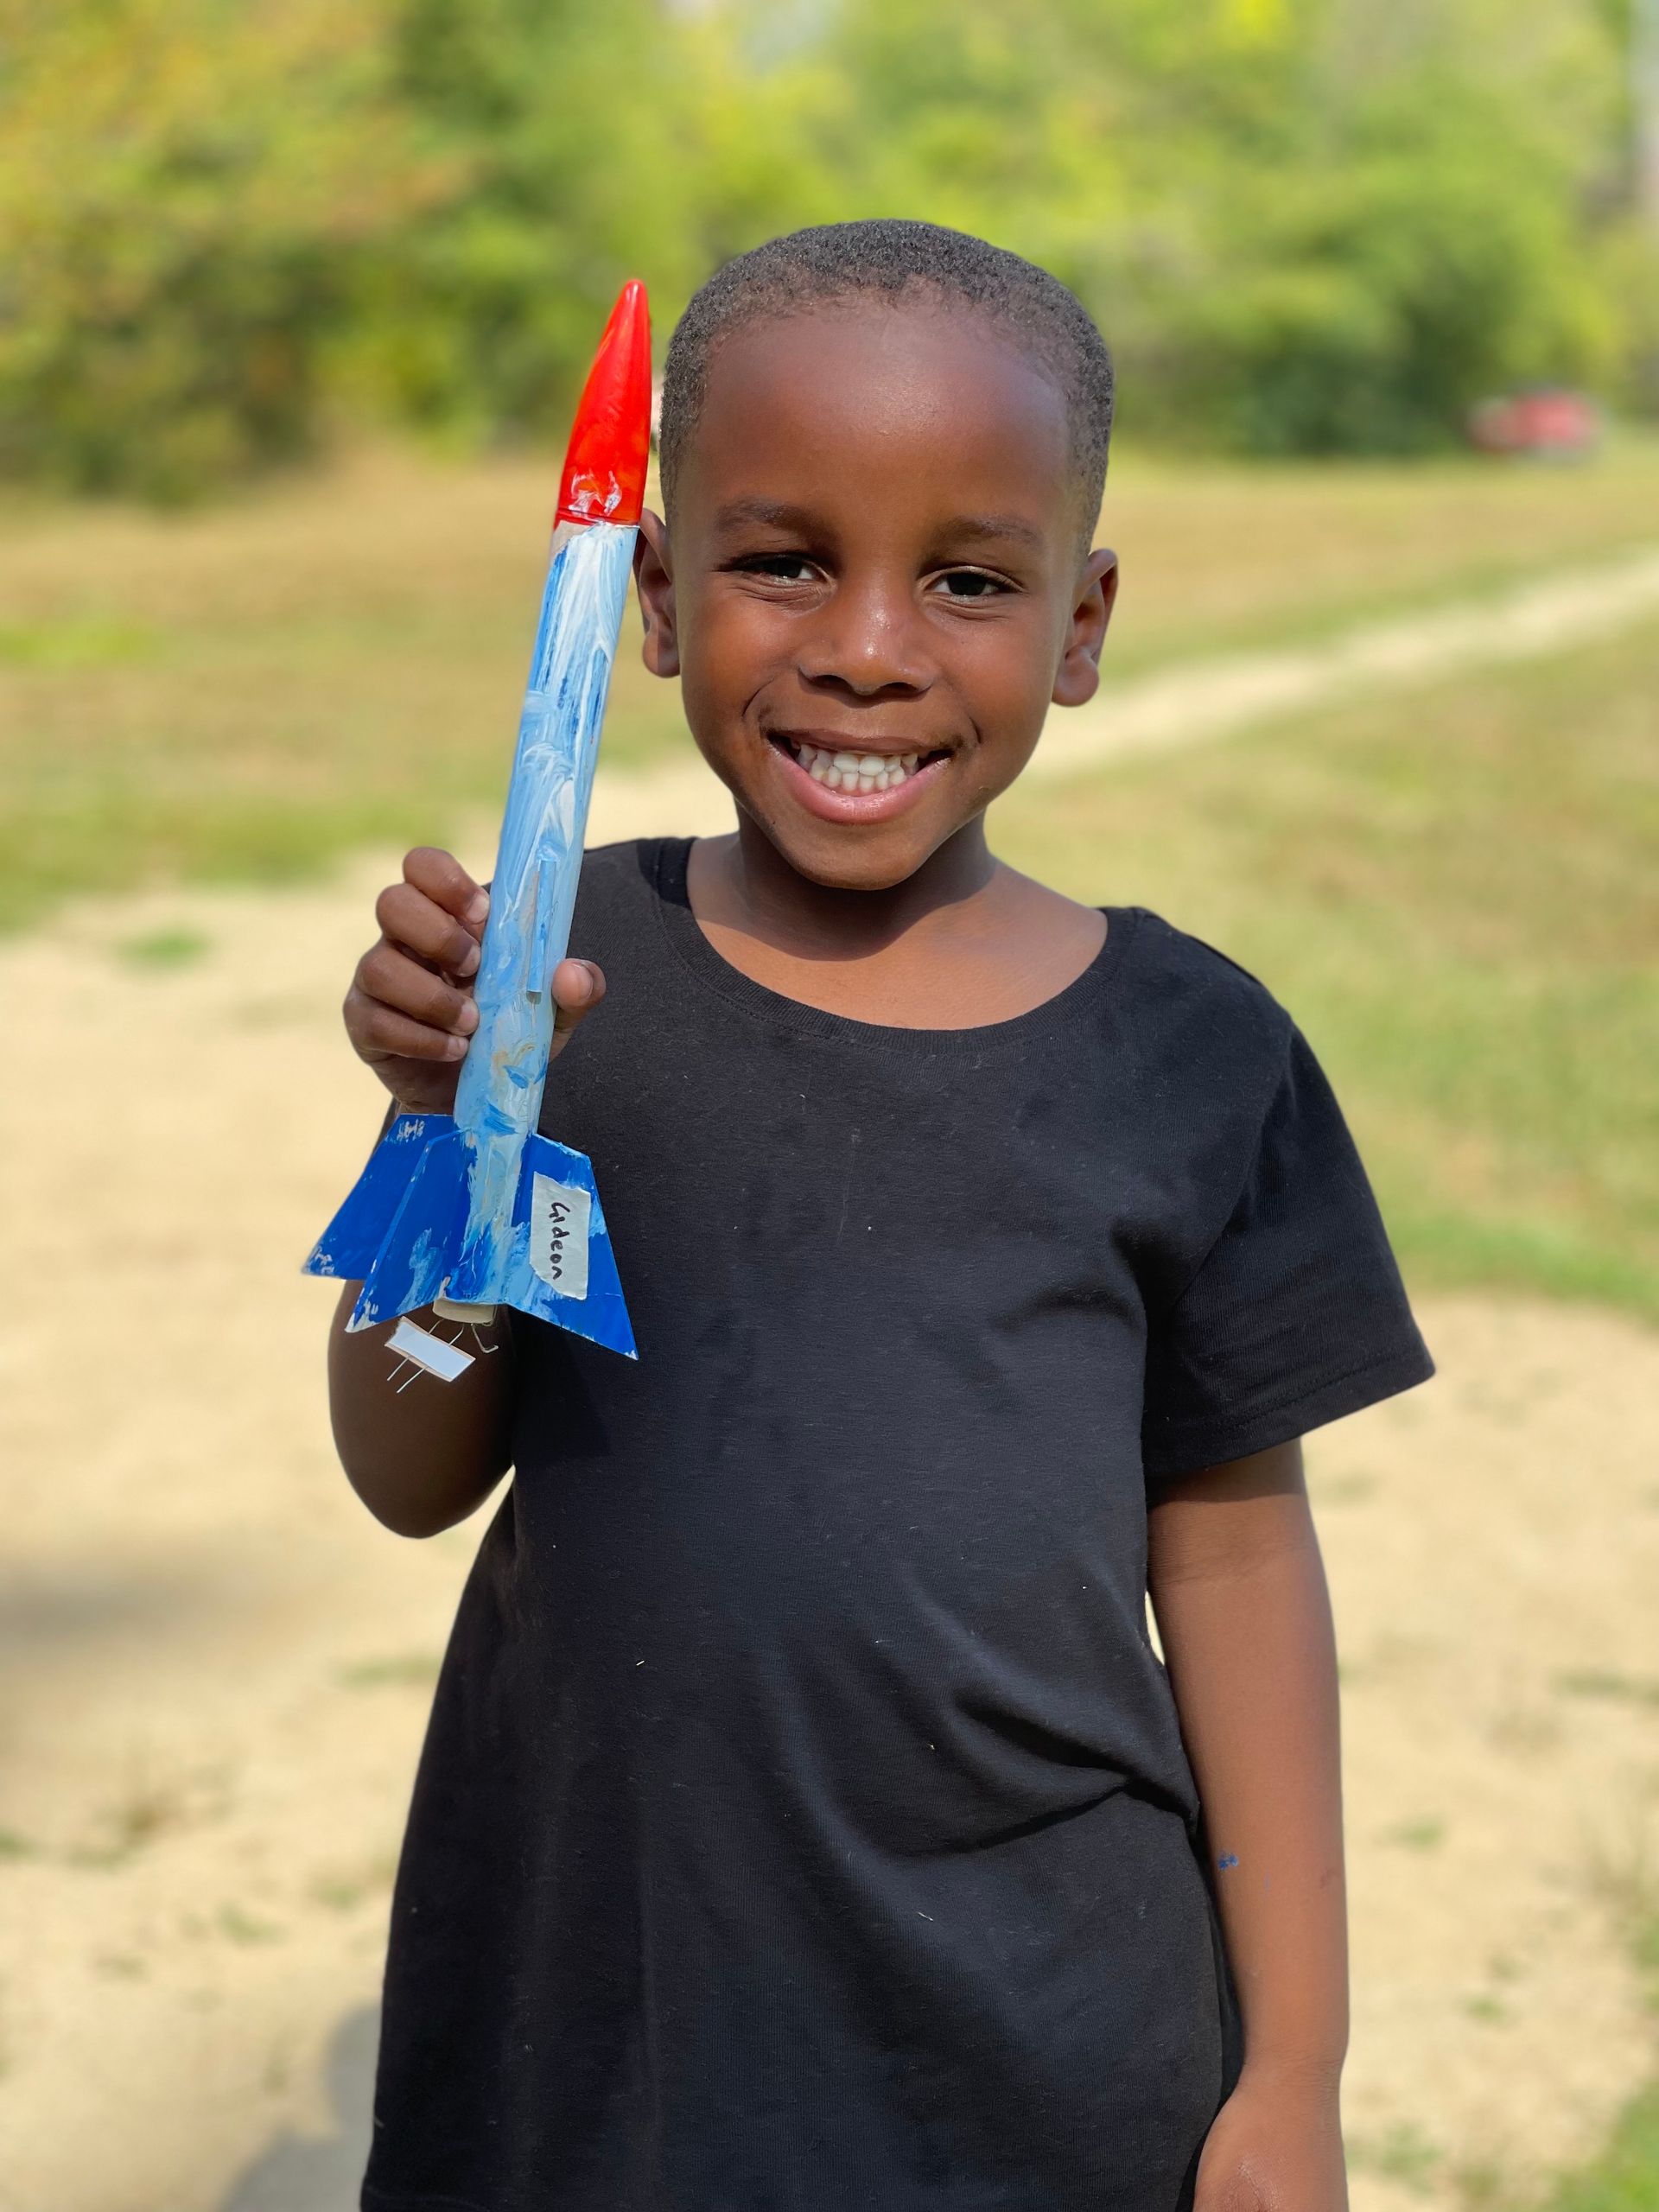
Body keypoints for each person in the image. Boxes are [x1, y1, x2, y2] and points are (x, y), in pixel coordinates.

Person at [326, 220, 1433, 2212]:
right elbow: (410, 1469)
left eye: (968, 579)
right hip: (606, 2028)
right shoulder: (564, 969)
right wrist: (444, 1136)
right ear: (653, 599)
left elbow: (1243, 1560)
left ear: (1081, 624)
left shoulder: (1195, 1053)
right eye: (782, 558)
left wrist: (1295, 2070)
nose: (865, 642)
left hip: (1046, 2056)